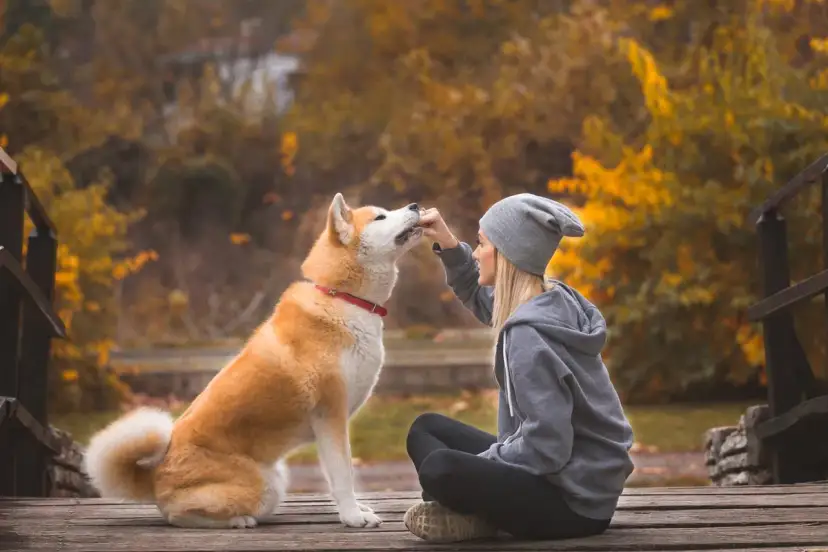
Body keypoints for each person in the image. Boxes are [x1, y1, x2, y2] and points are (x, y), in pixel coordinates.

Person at [403, 193, 635, 543]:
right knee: (426, 428)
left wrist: (478, 471)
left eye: (482, 244)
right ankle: (474, 510)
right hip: (573, 481)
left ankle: (477, 515)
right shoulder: (550, 298)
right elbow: (483, 301)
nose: (477, 252)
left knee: (440, 469)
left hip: (573, 504)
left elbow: (547, 447)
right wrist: (449, 244)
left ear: (507, 254)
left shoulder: (528, 337)